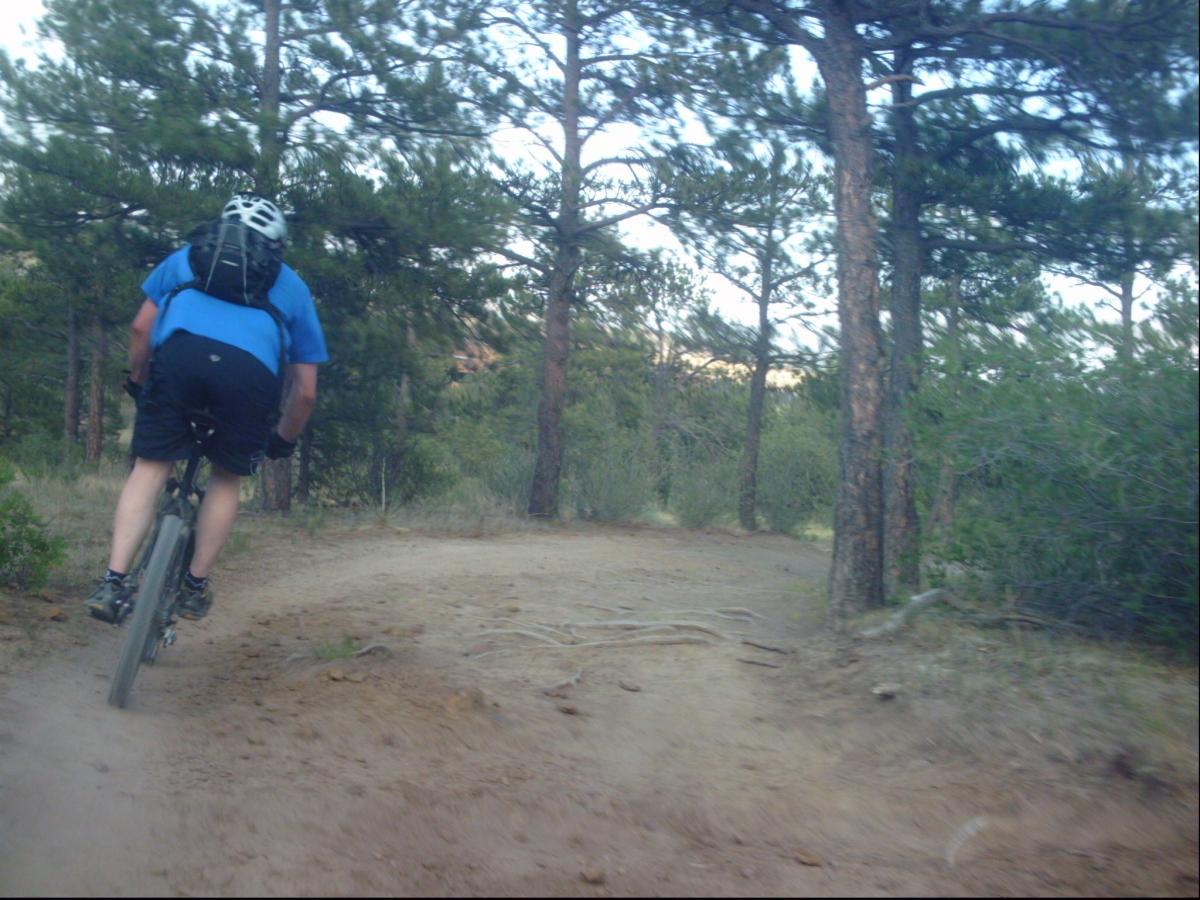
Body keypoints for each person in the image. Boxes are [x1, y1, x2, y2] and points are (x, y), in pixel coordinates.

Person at [85, 192, 328, 623]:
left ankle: (113, 581)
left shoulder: (186, 257)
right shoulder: (292, 286)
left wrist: (139, 378)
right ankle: (194, 585)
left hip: (178, 362)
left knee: (151, 466)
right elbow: (305, 390)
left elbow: (142, 327)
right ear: (277, 246)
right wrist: (283, 440)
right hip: (248, 379)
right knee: (226, 476)